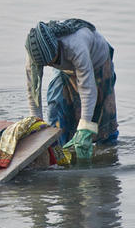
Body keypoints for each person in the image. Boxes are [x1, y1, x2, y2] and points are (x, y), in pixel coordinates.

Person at [24, 19, 118, 161]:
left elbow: (87, 89)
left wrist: (85, 128)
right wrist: (37, 126)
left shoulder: (76, 45)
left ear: (57, 48)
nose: (49, 65)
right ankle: (60, 155)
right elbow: (33, 91)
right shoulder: (34, 54)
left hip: (97, 62)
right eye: (45, 64)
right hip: (65, 69)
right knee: (56, 105)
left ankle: (108, 154)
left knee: (100, 115)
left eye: (51, 61)